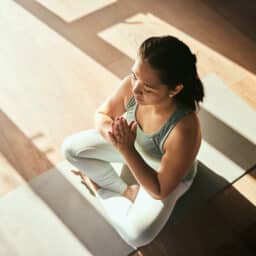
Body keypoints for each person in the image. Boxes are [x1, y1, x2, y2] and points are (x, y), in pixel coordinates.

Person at [61, 35, 204, 249]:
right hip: (129, 146)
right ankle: (124, 191)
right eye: (134, 75)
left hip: (162, 176)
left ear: (174, 90)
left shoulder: (184, 129)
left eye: (148, 88)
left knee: (137, 236)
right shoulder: (133, 85)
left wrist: (127, 149)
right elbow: (102, 114)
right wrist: (115, 134)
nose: (135, 89)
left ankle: (97, 186)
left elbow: (159, 190)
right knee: (71, 149)